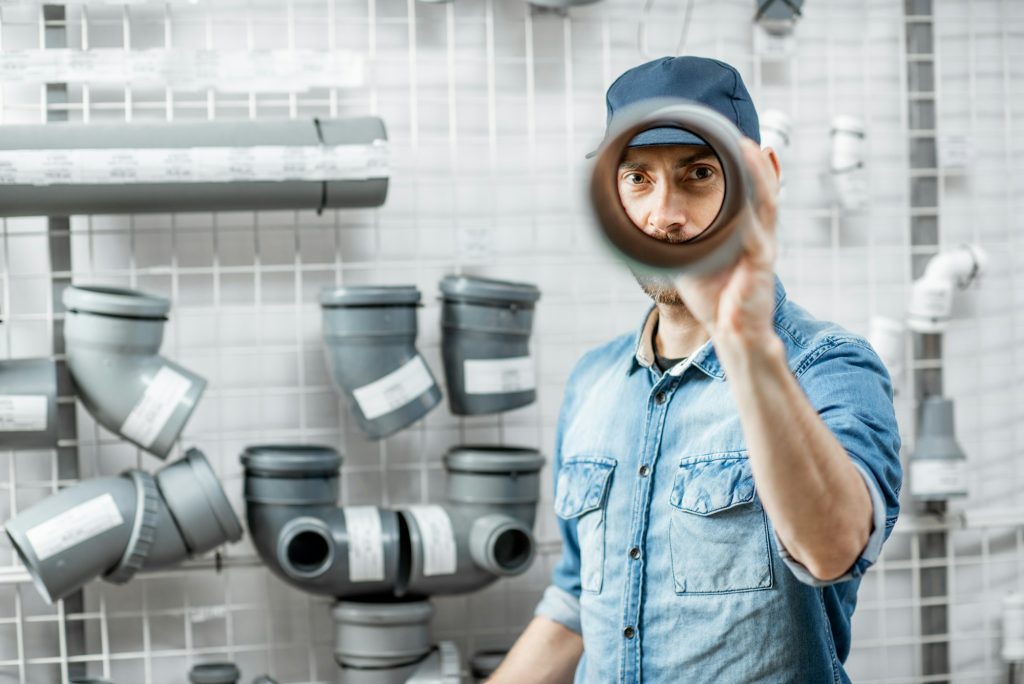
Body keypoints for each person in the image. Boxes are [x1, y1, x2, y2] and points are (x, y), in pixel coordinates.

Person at [488, 56, 902, 683]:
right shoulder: (592, 383)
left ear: (759, 181)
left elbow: (833, 548)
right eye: (637, 179)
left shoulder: (829, 366)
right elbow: (576, 604)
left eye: (699, 175)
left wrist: (743, 340)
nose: (664, 216)